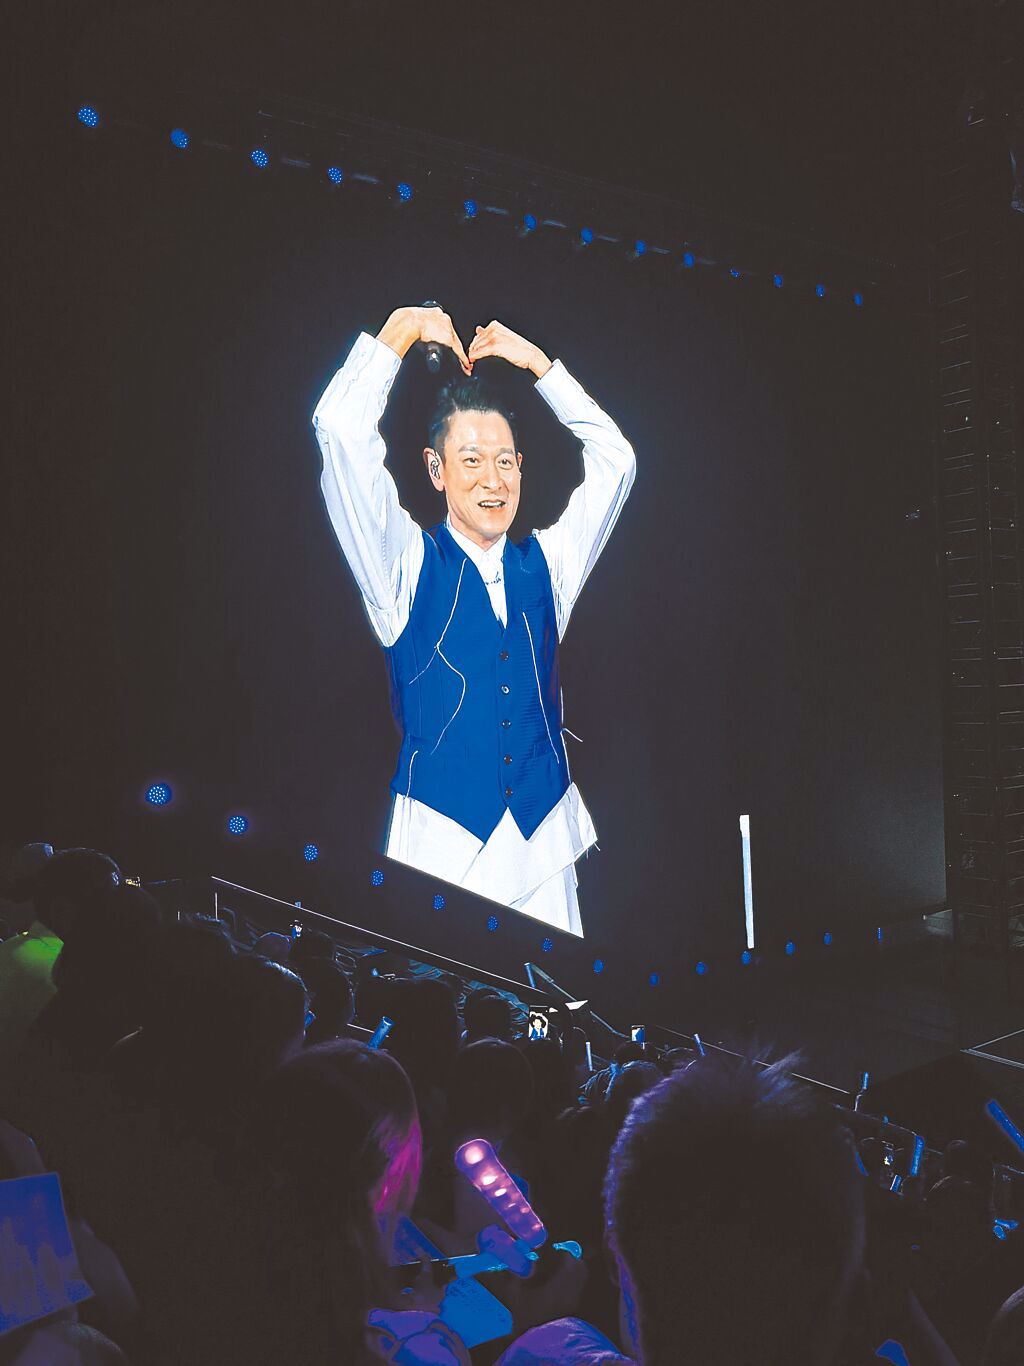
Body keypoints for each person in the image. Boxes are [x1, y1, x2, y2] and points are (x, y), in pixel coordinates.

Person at [312, 306, 636, 935]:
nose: (493, 480)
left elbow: (616, 460)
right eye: (471, 460)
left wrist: (539, 367)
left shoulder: (549, 566)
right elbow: (341, 434)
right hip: (441, 851)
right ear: (436, 470)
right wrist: (402, 328)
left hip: (545, 847)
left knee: (552, 997)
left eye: (505, 461)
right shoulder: (403, 566)